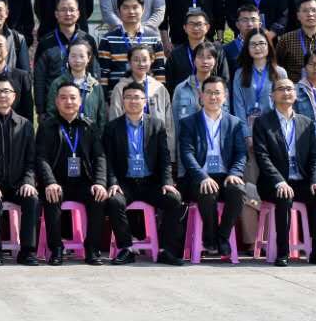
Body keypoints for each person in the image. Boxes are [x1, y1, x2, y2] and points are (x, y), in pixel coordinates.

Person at [250, 78, 316, 266]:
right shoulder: (263, 123)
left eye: (289, 89)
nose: (286, 92)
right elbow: (262, 157)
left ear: (295, 95)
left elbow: (315, 157)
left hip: (300, 181)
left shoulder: (306, 123)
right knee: (284, 196)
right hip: (272, 183)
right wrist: (279, 181)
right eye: (281, 89)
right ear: (272, 95)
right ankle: (282, 253)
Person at [101, 85, 184, 265]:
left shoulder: (156, 124)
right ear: (122, 101)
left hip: (150, 182)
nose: (133, 101)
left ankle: (165, 250)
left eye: (137, 97)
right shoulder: (112, 127)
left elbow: (164, 157)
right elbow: (108, 159)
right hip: (125, 183)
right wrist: (113, 182)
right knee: (114, 201)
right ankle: (126, 248)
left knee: (174, 200)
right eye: (128, 97)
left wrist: (167, 182)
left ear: (144, 101)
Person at [35, 81, 108, 265]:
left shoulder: (89, 126)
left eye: (73, 98)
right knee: (52, 196)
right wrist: (49, 182)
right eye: (63, 98)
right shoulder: (47, 126)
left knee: (98, 197)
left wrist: (100, 182)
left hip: (83, 182)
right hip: (57, 181)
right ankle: (56, 249)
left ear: (80, 101)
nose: (68, 102)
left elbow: (100, 157)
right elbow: (41, 158)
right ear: (56, 101)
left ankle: (92, 249)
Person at [176, 78, 247, 261]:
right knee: (207, 190)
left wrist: (234, 173)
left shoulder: (235, 123)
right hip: (198, 178)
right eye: (208, 92)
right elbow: (187, 154)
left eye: (217, 93)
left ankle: (222, 236)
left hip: (225, 176)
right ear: (201, 96)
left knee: (238, 190)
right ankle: (209, 238)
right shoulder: (189, 123)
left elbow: (241, 153)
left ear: (225, 96)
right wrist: (202, 176)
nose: (213, 97)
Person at [0, 76, 40, 265]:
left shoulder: (26, 125)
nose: (2, 95)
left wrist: (28, 182)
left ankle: (27, 251)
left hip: (18, 184)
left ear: (14, 96)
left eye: (6, 91)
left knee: (33, 199)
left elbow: (31, 160)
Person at [34, 0, 97, 111]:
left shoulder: (88, 41)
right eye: (63, 10)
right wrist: (40, 109)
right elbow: (39, 78)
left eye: (71, 10)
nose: (68, 13)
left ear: (78, 13)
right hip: (53, 106)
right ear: (56, 14)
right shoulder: (45, 42)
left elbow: (95, 73)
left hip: (84, 104)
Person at [98, 0, 164, 91]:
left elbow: (159, 71)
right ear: (119, 11)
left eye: (135, 7)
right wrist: (106, 98)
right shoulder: (108, 39)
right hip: (117, 96)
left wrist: (159, 95)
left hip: (147, 96)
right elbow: (103, 73)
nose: (131, 11)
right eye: (126, 7)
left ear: (143, 9)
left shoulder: (154, 38)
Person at [109, 46, 170, 136]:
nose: (141, 64)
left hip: (156, 139)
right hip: (129, 138)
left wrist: (169, 143)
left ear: (151, 60)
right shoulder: (120, 88)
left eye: (145, 59)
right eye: (136, 60)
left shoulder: (159, 88)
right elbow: (115, 118)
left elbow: (169, 123)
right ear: (129, 62)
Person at [164, 8, 226, 95]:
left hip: (212, 99)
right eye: (191, 24)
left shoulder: (217, 51)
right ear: (185, 28)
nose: (196, 28)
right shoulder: (175, 54)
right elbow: (170, 85)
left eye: (199, 24)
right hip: (184, 100)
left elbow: (225, 80)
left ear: (207, 27)